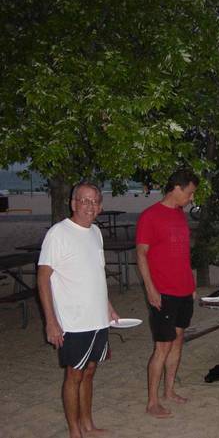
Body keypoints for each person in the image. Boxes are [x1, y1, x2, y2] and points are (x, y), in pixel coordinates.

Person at [37, 181, 119, 438]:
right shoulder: (58, 234)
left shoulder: (96, 232)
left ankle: (87, 423)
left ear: (100, 207)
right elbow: (42, 279)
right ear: (73, 203)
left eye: (94, 201)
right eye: (84, 200)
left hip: (97, 319)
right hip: (73, 322)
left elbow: (96, 274)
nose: (89, 206)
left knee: (91, 371)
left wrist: (109, 307)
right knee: (74, 374)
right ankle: (75, 430)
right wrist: (51, 321)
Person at [136, 169, 199, 418]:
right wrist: (150, 289)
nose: (191, 198)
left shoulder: (180, 215)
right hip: (163, 292)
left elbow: (182, 253)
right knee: (162, 347)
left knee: (178, 341)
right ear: (176, 188)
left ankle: (169, 391)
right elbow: (141, 254)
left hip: (184, 290)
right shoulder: (150, 216)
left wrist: (192, 285)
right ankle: (152, 402)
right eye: (190, 193)